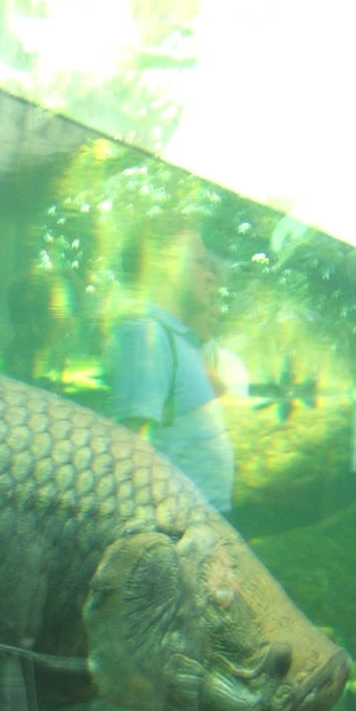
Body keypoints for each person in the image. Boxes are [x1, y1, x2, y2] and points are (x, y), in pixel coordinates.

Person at [104, 218, 236, 512]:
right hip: (177, 526)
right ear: (165, 262)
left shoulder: (180, 338)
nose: (211, 275)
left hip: (203, 520)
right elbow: (131, 448)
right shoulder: (148, 335)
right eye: (201, 262)